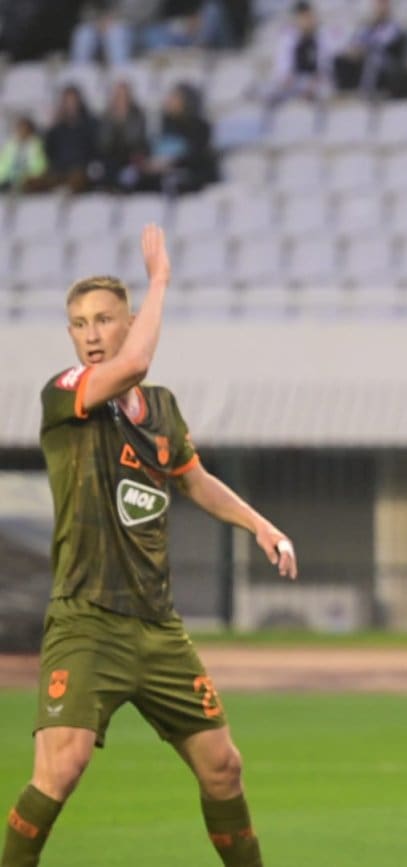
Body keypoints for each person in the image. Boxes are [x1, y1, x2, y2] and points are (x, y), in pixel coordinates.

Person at [1, 225, 299, 867]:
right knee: (62, 768)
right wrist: (161, 277)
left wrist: (260, 525)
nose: (91, 334)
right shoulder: (65, 394)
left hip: (158, 627)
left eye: (105, 319)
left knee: (223, 767)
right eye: (79, 323)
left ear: (129, 322)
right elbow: (133, 364)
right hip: (87, 619)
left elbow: (193, 479)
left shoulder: (161, 409)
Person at [0, 115, 49, 192]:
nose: (22, 131)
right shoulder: (10, 144)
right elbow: (3, 164)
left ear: (30, 130)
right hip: (9, 178)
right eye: (20, 129)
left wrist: (30, 175)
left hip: (28, 178)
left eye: (25, 129)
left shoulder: (36, 144)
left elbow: (40, 166)